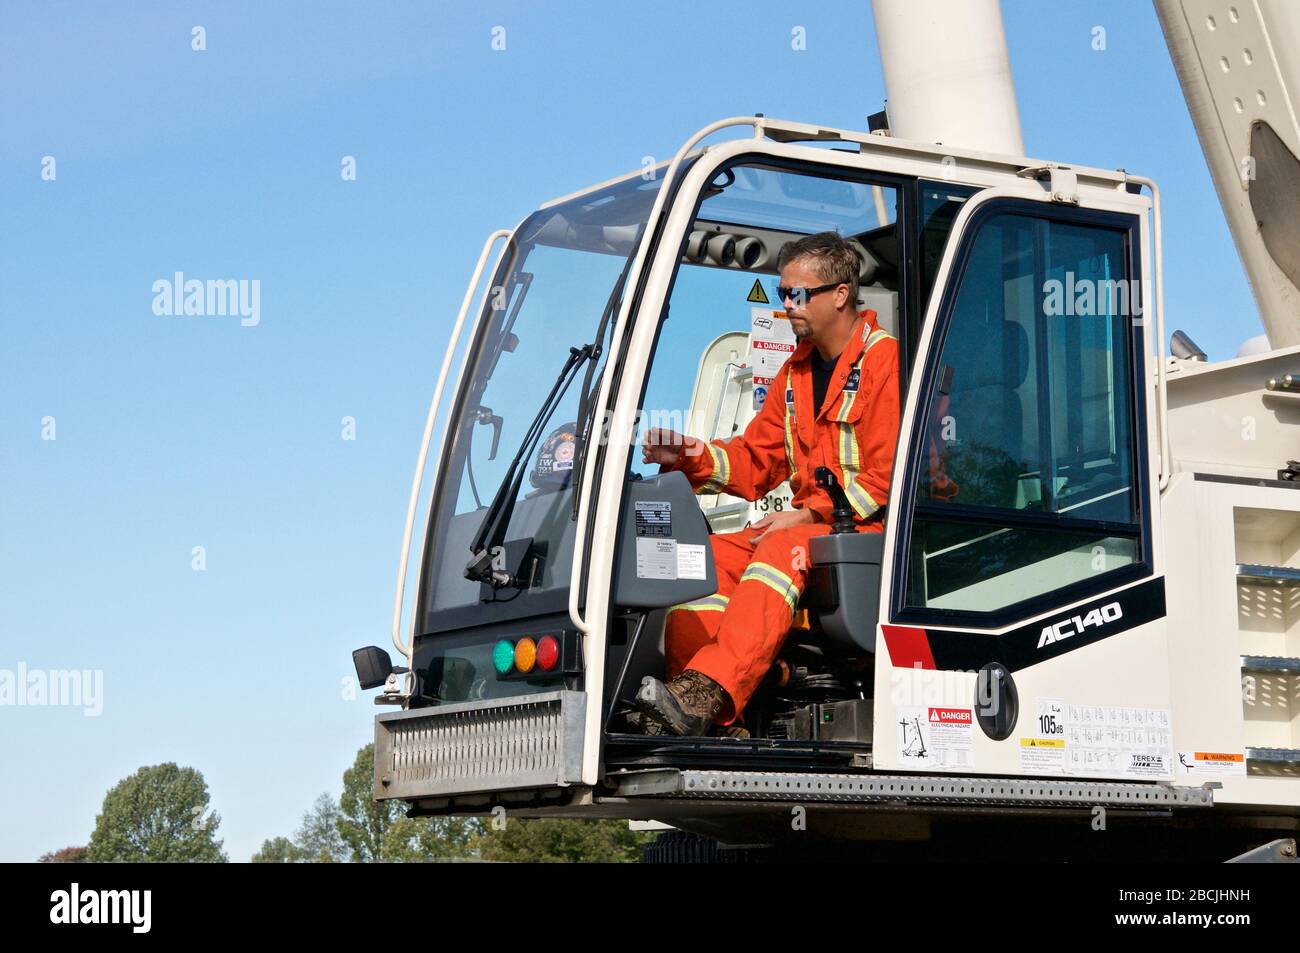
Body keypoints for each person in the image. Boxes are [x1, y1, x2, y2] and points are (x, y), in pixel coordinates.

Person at [630, 231, 901, 736]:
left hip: (870, 535)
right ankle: (694, 702)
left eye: (799, 294)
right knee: (696, 562)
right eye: (782, 294)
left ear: (841, 293)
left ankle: (709, 694)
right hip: (812, 530)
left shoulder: (887, 362)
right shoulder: (794, 374)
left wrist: (811, 515)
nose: (788, 305)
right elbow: (755, 464)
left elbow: (888, 479)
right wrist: (690, 454)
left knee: (780, 546)